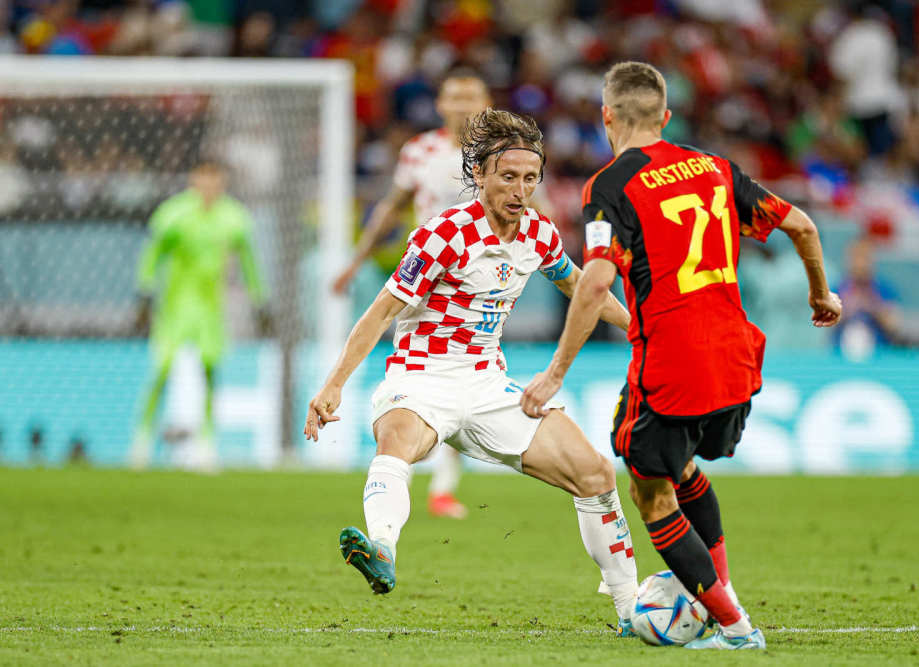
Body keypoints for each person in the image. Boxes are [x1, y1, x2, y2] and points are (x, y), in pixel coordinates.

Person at [520, 61, 842, 650]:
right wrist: (821, 294)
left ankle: (736, 629)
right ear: (666, 117)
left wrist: (554, 372)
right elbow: (802, 226)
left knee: (649, 490)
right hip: (737, 357)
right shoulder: (716, 168)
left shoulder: (609, 187)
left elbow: (596, 282)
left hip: (672, 361)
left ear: (606, 116)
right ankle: (723, 593)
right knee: (681, 467)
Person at [305, 109, 640, 631]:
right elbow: (382, 312)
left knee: (595, 473)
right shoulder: (443, 234)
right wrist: (333, 384)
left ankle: (631, 610)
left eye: (530, 178)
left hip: (487, 384)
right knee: (397, 443)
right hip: (421, 376)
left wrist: (640, 329)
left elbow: (582, 287)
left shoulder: (539, 234)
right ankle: (382, 550)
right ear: (479, 175)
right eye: (508, 177)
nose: (520, 190)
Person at [330, 67, 492, 519]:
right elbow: (392, 207)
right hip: (424, 276)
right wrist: (356, 261)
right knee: (412, 370)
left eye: (471, 97)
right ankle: (397, 462)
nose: (462, 106)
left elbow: (532, 208)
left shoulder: (500, 153)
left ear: (486, 104)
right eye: (454, 97)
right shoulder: (419, 151)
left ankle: (442, 487)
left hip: (478, 281)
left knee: (466, 375)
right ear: (440, 104)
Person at [132, 159, 266, 470]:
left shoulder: (234, 218)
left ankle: (207, 443)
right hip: (175, 307)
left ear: (222, 182)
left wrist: (259, 299)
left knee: (210, 371)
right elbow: (153, 253)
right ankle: (142, 440)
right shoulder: (174, 214)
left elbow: (249, 261)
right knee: (161, 370)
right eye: (204, 179)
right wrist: (144, 290)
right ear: (193, 181)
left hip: (210, 308)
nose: (209, 186)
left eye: (215, 180)